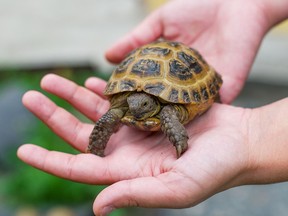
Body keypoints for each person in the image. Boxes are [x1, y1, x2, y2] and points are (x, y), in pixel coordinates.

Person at [17, 0, 288, 215]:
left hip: (178, 81)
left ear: (151, 102)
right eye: (132, 105)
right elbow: (112, 115)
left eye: (143, 105)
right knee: (112, 115)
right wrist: (97, 146)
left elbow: (167, 114)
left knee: (166, 114)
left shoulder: (169, 110)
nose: (135, 109)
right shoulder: (126, 106)